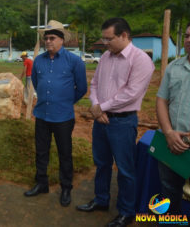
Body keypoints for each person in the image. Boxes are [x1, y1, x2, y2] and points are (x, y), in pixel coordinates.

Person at [76, 18, 155, 227]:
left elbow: (131, 93)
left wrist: (101, 107)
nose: (105, 42)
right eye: (104, 38)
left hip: (122, 122)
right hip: (101, 120)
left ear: (124, 36)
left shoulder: (141, 60)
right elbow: (94, 84)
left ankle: (126, 212)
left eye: (109, 38)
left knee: (124, 168)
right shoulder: (106, 57)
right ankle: (101, 200)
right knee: (101, 164)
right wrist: (95, 106)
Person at [24, 20, 87, 207]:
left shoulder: (74, 62)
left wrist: (65, 102)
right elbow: (35, 81)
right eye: (46, 38)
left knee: (65, 153)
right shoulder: (38, 61)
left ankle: (66, 187)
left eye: (52, 38)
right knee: (41, 152)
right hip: (42, 115)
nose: (48, 41)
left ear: (62, 40)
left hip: (63, 117)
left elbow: (81, 88)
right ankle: (41, 183)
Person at [156, 22, 190, 217]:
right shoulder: (173, 67)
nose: (189, 40)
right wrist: (168, 133)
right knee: (169, 191)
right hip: (172, 144)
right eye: (186, 35)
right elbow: (161, 100)